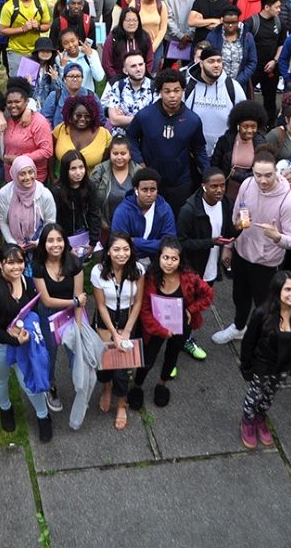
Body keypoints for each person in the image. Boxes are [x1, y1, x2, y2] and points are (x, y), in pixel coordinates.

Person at [212, 150, 291, 345]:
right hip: (242, 254)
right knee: (239, 296)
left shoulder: (288, 202)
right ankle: (239, 327)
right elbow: (237, 216)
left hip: (266, 262)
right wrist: (229, 246)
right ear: (252, 172)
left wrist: (277, 237)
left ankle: (264, 336)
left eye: (268, 175)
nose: (263, 180)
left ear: (276, 172)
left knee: (265, 305)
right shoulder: (247, 184)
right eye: (258, 175)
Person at [0, 244, 53, 441]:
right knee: (1, 378)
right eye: (10, 262)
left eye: (20, 261)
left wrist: (26, 329)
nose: (16, 267)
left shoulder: (28, 281)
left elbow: (34, 308)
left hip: (22, 340)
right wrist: (13, 339)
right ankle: (5, 408)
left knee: (28, 381)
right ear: (1, 264)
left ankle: (43, 415)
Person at [132, 237, 214, 408]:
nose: (169, 263)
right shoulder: (150, 278)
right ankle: (137, 386)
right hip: (155, 327)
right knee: (147, 359)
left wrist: (191, 310)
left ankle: (162, 385)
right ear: (159, 257)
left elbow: (208, 295)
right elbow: (145, 310)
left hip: (181, 325)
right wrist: (161, 331)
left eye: (174, 259)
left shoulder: (190, 278)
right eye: (165, 258)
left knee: (172, 355)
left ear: (180, 260)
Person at [239, 271, 291, 449]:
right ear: (277, 291)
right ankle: (247, 422)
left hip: (283, 366)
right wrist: (246, 367)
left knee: (270, 395)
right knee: (255, 394)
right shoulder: (261, 313)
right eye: (287, 289)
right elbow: (248, 342)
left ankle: (260, 418)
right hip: (262, 366)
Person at [127, 68, 207, 215]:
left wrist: (208, 174)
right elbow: (131, 138)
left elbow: (199, 149)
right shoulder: (145, 116)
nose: (172, 96)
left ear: (183, 90)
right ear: (160, 92)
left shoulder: (192, 120)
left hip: (181, 183)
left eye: (177, 90)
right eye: (167, 91)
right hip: (151, 183)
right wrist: (139, 162)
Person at [31, 223, 87, 413]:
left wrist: (78, 327)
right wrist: (74, 302)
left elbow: (80, 297)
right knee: (50, 353)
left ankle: (81, 384)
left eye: (59, 240)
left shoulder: (74, 263)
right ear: (43, 244)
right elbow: (46, 301)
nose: (55, 244)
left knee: (77, 352)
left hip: (71, 315)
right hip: (48, 316)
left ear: (65, 241)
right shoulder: (38, 265)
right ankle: (50, 385)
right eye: (50, 240)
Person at [91, 232, 144, 431]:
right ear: (108, 252)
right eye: (116, 250)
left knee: (123, 369)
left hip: (128, 318)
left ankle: (121, 403)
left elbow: (138, 302)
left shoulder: (138, 269)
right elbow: (101, 305)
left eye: (125, 249)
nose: (121, 254)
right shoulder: (97, 271)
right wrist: (114, 332)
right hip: (106, 320)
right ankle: (106, 388)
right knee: (104, 363)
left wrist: (127, 331)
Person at [183, 45, 245, 155]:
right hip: (191, 153)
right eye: (211, 61)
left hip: (223, 153)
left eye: (219, 61)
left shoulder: (233, 87)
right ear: (201, 63)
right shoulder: (187, 86)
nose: (216, 65)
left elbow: (244, 118)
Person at [111, 168, 177, 263]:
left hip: (159, 260)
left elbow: (170, 243)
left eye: (153, 189)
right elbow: (120, 244)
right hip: (129, 260)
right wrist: (156, 245)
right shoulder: (122, 211)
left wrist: (136, 241)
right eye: (144, 190)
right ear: (136, 190)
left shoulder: (165, 209)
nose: (149, 194)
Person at [209, 100, 269, 200]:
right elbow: (215, 165)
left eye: (253, 127)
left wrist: (237, 175)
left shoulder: (261, 143)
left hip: (251, 191)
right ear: (238, 126)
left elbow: (262, 171)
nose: (249, 131)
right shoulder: (225, 141)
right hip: (227, 191)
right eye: (245, 126)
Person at [0, 155, 57, 252]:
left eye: (30, 172)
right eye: (22, 174)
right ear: (15, 174)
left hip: (40, 243)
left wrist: (38, 242)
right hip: (13, 244)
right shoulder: (4, 194)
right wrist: (13, 244)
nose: (28, 177)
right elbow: (3, 221)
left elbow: (50, 222)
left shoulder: (45, 194)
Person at [2, 77, 53, 183]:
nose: (13, 105)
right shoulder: (6, 119)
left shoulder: (39, 122)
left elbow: (47, 151)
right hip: (11, 179)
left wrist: (19, 159)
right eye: (9, 102)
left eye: (17, 102)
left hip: (33, 179)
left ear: (27, 102)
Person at [51, 151, 102, 255]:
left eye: (81, 167)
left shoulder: (90, 186)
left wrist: (93, 242)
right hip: (65, 237)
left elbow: (95, 214)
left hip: (86, 234)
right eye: (73, 169)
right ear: (65, 170)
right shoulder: (57, 191)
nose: (78, 172)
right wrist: (68, 247)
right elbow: (56, 221)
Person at [0, 0, 50, 68]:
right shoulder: (9, 6)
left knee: (33, 81)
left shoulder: (41, 4)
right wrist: (23, 29)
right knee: (17, 82)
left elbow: (47, 25)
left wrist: (38, 27)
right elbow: (2, 31)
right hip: (15, 51)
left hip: (35, 51)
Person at [101, 52, 155, 138]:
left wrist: (124, 118)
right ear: (125, 71)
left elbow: (155, 120)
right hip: (121, 141)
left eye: (141, 64)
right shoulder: (118, 86)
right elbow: (114, 120)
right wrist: (144, 119)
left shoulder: (154, 87)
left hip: (146, 139)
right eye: (133, 66)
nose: (138, 69)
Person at [52, 94, 111, 173]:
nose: (82, 119)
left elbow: (108, 164)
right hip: (62, 182)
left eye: (87, 116)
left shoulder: (104, 135)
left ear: (93, 116)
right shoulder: (60, 129)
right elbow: (51, 156)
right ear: (71, 115)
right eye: (78, 115)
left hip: (93, 183)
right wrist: (52, 178)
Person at [92, 136, 142, 228]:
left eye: (123, 153)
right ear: (110, 154)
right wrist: (101, 222)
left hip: (133, 225)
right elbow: (91, 199)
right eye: (115, 153)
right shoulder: (99, 171)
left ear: (130, 154)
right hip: (105, 226)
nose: (119, 157)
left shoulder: (138, 172)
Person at [100, 9, 154, 81]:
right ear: (122, 21)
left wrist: (142, 77)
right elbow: (107, 63)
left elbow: (149, 61)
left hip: (141, 80)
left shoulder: (145, 37)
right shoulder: (113, 37)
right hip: (117, 80)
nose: (131, 23)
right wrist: (116, 81)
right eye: (128, 20)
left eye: (134, 20)